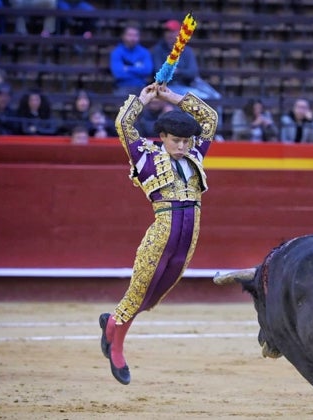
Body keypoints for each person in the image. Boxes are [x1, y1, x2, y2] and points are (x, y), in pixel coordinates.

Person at [98, 82, 218, 385]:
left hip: (189, 237)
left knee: (153, 297)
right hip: (162, 233)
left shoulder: (196, 156)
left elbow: (210, 119)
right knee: (138, 292)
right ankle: (117, 348)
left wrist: (172, 97)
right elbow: (123, 123)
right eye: (176, 140)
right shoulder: (145, 156)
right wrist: (144, 98)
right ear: (162, 137)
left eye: (186, 141)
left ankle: (111, 323)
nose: (182, 146)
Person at [151, 20, 221, 100]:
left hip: (188, 84)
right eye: (167, 32)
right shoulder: (158, 50)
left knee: (215, 97)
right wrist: (181, 72)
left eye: (172, 32)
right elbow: (160, 75)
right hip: (167, 87)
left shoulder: (187, 51)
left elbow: (193, 73)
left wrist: (178, 71)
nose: (169, 35)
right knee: (198, 99)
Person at [109, 24, 153, 96]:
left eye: (135, 35)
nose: (133, 38)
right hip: (122, 87)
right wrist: (139, 70)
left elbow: (148, 70)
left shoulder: (144, 52)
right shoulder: (117, 52)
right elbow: (118, 73)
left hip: (141, 87)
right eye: (130, 35)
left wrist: (127, 68)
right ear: (123, 36)